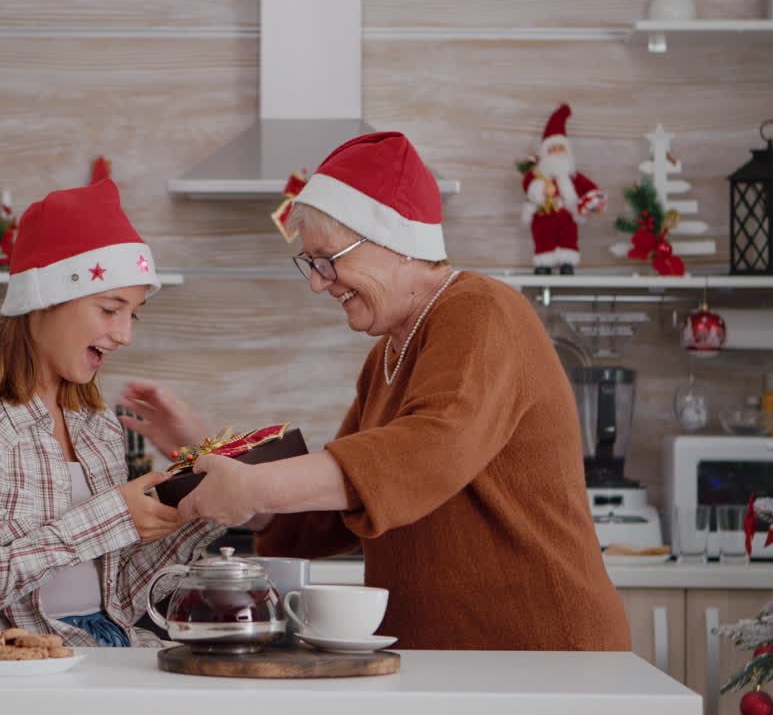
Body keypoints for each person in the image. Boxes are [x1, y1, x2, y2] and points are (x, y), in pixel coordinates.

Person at [119, 132, 631, 651]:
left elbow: (426, 451)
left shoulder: (481, 312)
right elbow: (339, 507)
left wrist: (253, 487)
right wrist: (211, 454)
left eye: (326, 259)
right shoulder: (387, 353)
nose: (319, 282)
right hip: (454, 656)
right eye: (311, 264)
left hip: (539, 653)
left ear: (394, 241)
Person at [0, 179, 224, 647]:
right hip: (13, 665)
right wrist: (109, 518)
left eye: (132, 315)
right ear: (43, 301)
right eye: (109, 309)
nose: (124, 335)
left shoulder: (97, 426)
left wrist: (198, 509)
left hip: (106, 649)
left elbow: (118, 598)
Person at [520, 103, 607, 275]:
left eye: (560, 148)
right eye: (552, 149)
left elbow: (590, 189)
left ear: (567, 152)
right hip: (544, 214)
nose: (556, 153)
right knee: (543, 238)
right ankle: (543, 265)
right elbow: (527, 184)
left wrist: (593, 201)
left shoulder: (573, 176)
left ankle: (567, 264)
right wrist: (541, 190)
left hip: (567, 216)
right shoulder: (538, 174)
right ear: (545, 153)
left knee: (568, 238)